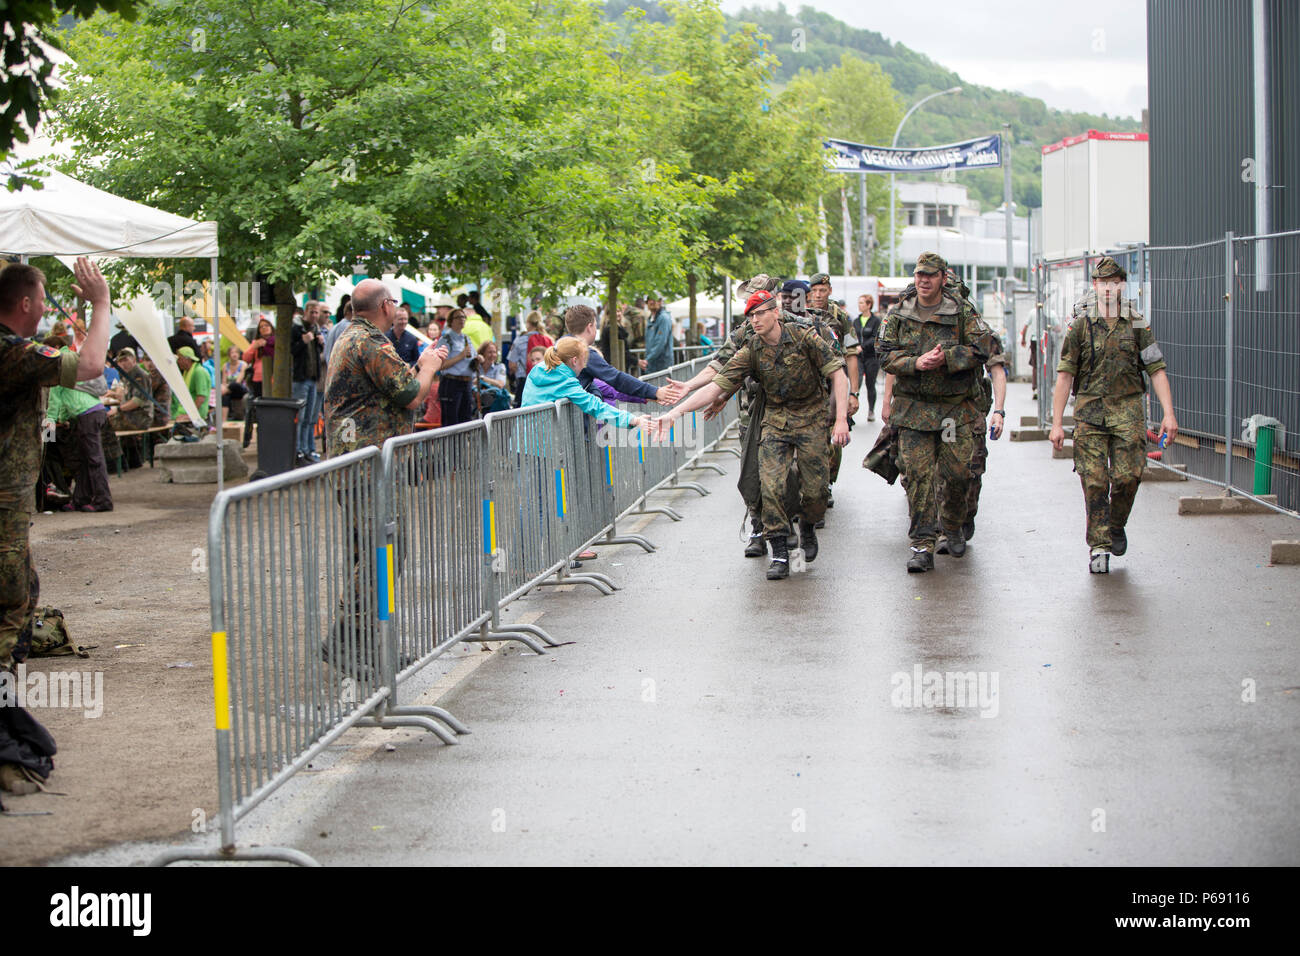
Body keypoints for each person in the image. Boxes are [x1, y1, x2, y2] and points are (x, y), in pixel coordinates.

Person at [0, 259, 109, 791]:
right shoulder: (12, 351)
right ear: (24, 304)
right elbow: (91, 364)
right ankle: (4, 746)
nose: (45, 308)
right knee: (9, 616)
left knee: (21, 606)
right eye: (41, 299)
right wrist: (100, 303)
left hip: (12, 511)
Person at [655, 290, 848, 579]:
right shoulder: (752, 349)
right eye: (750, 315)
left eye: (760, 313)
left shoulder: (805, 337)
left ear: (775, 312)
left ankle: (808, 526)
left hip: (811, 418)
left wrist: (841, 419)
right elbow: (717, 385)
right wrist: (676, 413)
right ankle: (780, 551)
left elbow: (838, 374)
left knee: (816, 491)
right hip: (775, 420)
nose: (754, 320)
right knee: (770, 486)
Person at [1050, 256, 1178, 573]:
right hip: (1090, 413)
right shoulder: (1080, 325)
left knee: (1128, 476)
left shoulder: (1135, 321)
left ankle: (1115, 523)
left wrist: (1168, 414)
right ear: (1095, 285)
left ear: (1122, 285)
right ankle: (1099, 546)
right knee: (1094, 480)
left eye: (1114, 283)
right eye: (1102, 283)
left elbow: (1156, 368)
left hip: (1128, 410)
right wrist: (1056, 424)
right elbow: (1065, 374)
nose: (1108, 288)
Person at [877, 253, 992, 573]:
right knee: (917, 478)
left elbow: (984, 348)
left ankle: (952, 525)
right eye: (918, 275)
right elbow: (884, 355)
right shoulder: (899, 312)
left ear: (943, 277)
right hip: (914, 412)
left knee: (957, 474)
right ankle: (921, 545)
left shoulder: (961, 311)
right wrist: (916, 363)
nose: (923, 281)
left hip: (952, 412)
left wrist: (949, 358)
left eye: (929, 275)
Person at [521, 336, 652, 433]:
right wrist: (633, 420)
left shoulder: (537, 370)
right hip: (542, 446)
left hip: (521, 439)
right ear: (574, 361)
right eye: (584, 362)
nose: (584, 366)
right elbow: (595, 407)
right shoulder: (566, 382)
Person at [563, 305, 682, 408]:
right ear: (589, 327)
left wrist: (647, 395)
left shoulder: (559, 347)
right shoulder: (583, 353)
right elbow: (616, 378)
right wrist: (654, 391)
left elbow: (605, 387)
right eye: (595, 325)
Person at [44, 378, 113, 512]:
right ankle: (80, 499)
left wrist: (49, 427)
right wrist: (63, 420)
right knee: (84, 460)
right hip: (96, 411)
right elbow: (64, 404)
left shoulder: (55, 381)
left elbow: (54, 404)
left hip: (86, 414)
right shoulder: (68, 377)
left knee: (94, 460)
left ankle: (103, 500)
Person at [291, 300, 325, 461]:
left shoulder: (315, 329)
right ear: (306, 312)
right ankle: (298, 450)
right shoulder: (296, 328)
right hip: (300, 378)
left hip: (312, 378)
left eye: (317, 312)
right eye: (312, 312)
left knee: (311, 417)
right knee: (301, 416)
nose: (315, 315)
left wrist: (320, 344)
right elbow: (291, 351)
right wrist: (302, 342)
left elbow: (317, 354)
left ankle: (306, 449)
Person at [437, 309, 477, 427]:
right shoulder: (446, 339)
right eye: (458, 317)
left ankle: (463, 445)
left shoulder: (466, 338)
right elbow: (440, 365)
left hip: (466, 382)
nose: (462, 320)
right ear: (451, 321)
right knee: (451, 421)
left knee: (465, 420)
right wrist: (460, 356)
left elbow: (472, 355)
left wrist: (478, 359)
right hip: (451, 383)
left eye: (464, 317)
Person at [242, 316, 275, 447]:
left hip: (273, 381)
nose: (264, 328)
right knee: (258, 412)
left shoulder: (276, 341)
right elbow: (245, 357)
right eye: (261, 327)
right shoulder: (256, 343)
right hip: (257, 381)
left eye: (266, 325)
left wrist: (266, 344)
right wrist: (254, 346)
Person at [171, 345, 212, 439]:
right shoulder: (187, 372)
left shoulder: (198, 372)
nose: (178, 362)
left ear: (188, 359)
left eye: (180, 359)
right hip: (185, 411)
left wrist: (190, 415)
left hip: (197, 414)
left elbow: (201, 397)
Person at [855, 294, 883, 420]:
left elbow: (875, 338)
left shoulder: (876, 321)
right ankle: (851, 410)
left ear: (869, 305)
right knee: (857, 382)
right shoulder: (856, 321)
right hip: (858, 357)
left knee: (870, 384)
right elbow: (851, 336)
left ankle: (871, 410)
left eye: (862, 303)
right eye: (859, 303)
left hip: (871, 357)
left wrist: (863, 346)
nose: (859, 305)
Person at [474, 341, 512, 414]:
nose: (492, 355)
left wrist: (482, 379)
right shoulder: (476, 366)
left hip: (494, 403)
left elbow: (500, 384)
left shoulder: (500, 367)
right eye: (489, 352)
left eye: (494, 352)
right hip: (477, 402)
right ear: (482, 353)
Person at [643, 295, 674, 373]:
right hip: (652, 364)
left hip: (662, 364)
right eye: (649, 300)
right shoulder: (650, 318)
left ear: (660, 302)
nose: (652, 302)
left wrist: (647, 360)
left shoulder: (664, 318)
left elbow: (660, 342)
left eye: (655, 299)